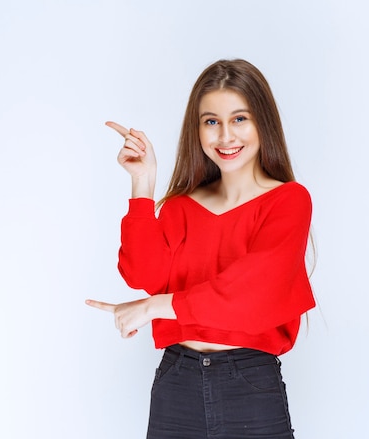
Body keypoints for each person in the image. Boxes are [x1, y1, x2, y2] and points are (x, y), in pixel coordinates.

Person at [86, 59, 315, 439]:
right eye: (211, 122)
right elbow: (144, 275)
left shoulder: (288, 201)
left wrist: (153, 308)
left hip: (250, 384)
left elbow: (250, 292)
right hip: (177, 380)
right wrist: (143, 183)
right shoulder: (180, 206)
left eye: (239, 119)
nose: (225, 136)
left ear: (263, 123)